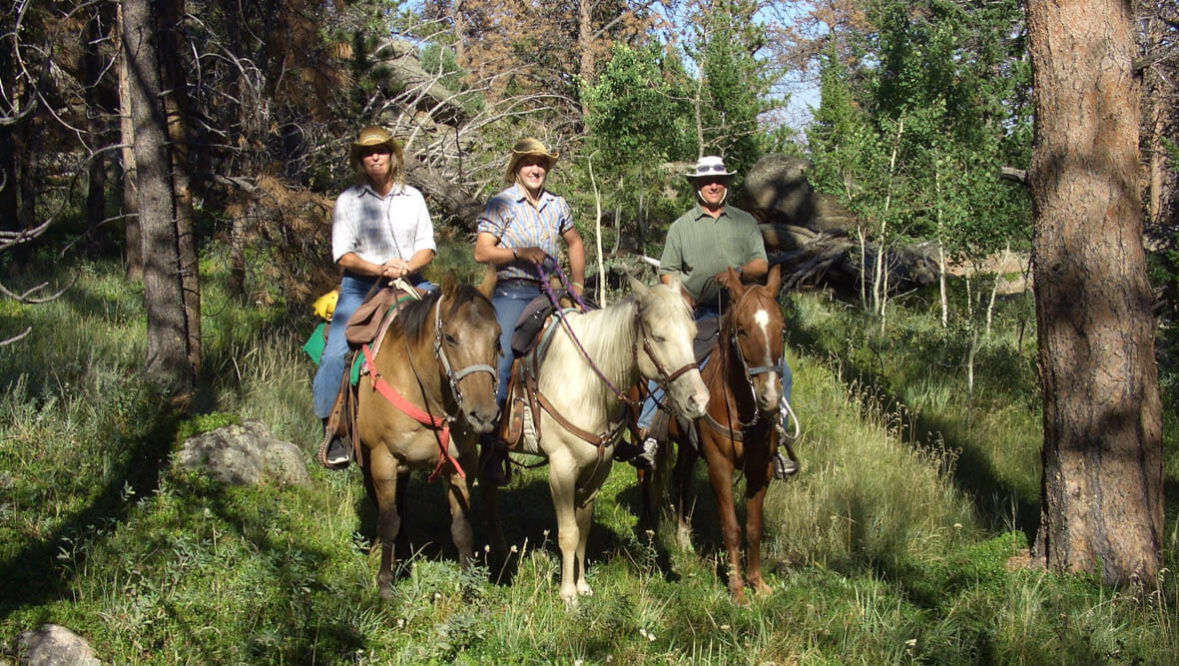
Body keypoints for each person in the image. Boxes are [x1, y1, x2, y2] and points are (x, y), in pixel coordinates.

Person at [632, 155, 797, 477]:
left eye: (719, 181)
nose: (713, 186)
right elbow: (667, 272)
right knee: (671, 364)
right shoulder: (682, 227)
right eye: (707, 181)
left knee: (782, 372)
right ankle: (650, 431)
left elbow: (761, 265)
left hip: (742, 314)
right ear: (697, 186)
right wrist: (682, 297)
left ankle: (778, 441)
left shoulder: (744, 222)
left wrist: (736, 272)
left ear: (726, 186)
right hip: (701, 313)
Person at [313, 126, 437, 468]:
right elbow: (343, 256)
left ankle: (462, 424)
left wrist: (406, 267)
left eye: (381, 150)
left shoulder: (413, 198)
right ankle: (333, 431)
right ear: (360, 160)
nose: (375, 157)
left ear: (392, 155)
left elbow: (427, 247)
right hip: (361, 286)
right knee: (337, 351)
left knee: (455, 328)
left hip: (413, 281)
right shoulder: (348, 201)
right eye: (368, 153)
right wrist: (382, 268)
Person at [473, 137, 586, 485]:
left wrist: (578, 285)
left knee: (594, 342)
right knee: (503, 356)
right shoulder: (501, 204)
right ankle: (491, 445)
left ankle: (609, 428)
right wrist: (520, 252)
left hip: (551, 291)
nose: (536, 169)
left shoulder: (557, 205)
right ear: (517, 168)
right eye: (528, 164)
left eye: (541, 164)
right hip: (512, 291)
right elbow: (482, 252)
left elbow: (575, 242)